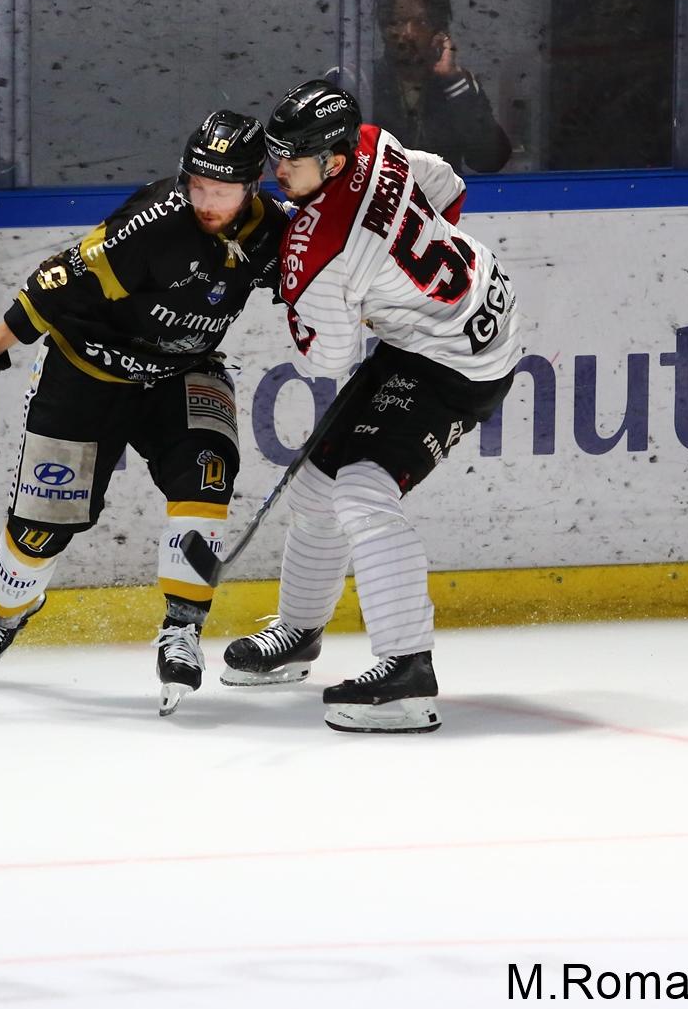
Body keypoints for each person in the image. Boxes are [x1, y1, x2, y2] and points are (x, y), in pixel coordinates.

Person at [0, 110, 291, 715]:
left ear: (253, 186)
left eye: (221, 191)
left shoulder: (272, 231)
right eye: (197, 185)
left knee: (206, 470)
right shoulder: (155, 225)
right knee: (39, 528)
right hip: (88, 375)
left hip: (181, 372)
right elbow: (52, 286)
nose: (206, 201)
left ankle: (181, 627)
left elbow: (321, 282)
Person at [220, 79, 524, 733]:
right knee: (314, 486)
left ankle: (408, 673)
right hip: (466, 308)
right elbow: (443, 184)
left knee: (360, 488)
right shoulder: (370, 145)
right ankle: (298, 633)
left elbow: (324, 361)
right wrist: (398, 290)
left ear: (331, 162)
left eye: (290, 161)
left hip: (461, 361)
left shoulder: (318, 252)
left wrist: (299, 294)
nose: (278, 172)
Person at [369, 0, 513, 174]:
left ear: (440, 32)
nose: (408, 33)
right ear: (384, 29)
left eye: (421, 22)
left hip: (442, 202)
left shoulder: (458, 86)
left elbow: (490, 160)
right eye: (397, 22)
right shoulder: (360, 83)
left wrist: (453, 81)